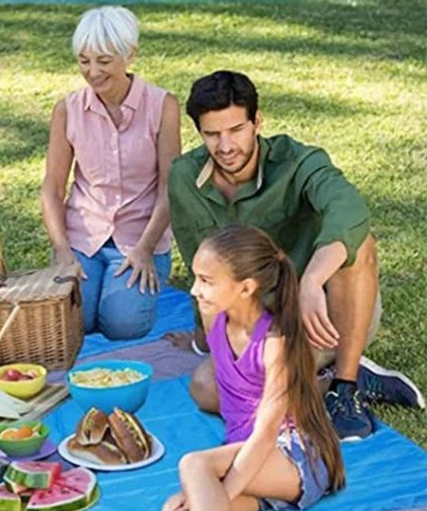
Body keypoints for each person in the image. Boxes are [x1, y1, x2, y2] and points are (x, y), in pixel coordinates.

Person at [167, 70, 423, 441]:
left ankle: (346, 386)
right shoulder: (184, 178)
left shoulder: (299, 162)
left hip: (325, 316)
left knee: (358, 243)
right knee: (206, 388)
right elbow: (204, 272)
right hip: (256, 327)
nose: (225, 146)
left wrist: (311, 281)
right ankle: (332, 385)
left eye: (236, 129)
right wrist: (218, 339)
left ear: (257, 122)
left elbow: (350, 210)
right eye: (212, 134)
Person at [136, 225, 345, 511]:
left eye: (205, 281)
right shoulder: (217, 320)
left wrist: (223, 492)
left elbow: (267, 432)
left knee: (194, 465)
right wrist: (213, 501)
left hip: (295, 457)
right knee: (176, 510)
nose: (195, 290)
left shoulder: (275, 341)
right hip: (251, 459)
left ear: (246, 287)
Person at [41, 5, 181, 340]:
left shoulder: (163, 106)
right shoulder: (67, 110)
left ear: (129, 54)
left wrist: (146, 248)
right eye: (84, 60)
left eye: (103, 61)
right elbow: (52, 187)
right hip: (81, 239)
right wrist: (61, 249)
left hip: (139, 238)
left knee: (123, 324)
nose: (92, 71)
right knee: (73, 323)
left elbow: (169, 187)